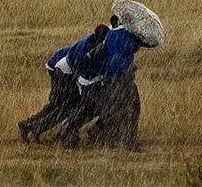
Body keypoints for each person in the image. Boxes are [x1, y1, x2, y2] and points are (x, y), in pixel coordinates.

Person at [57, 16, 147, 149]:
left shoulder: (110, 35)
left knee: (110, 108)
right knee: (131, 108)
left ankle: (93, 133)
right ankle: (125, 142)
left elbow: (104, 54)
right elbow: (134, 48)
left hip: (107, 77)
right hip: (123, 78)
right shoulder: (128, 35)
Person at [18, 24, 110, 143]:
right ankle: (37, 128)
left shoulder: (91, 41)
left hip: (58, 66)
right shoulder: (88, 49)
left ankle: (29, 125)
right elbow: (82, 74)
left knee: (57, 105)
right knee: (65, 108)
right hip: (63, 72)